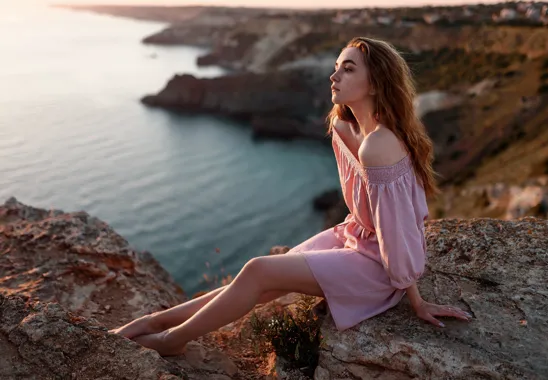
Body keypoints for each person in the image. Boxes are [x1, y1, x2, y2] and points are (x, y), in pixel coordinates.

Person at [109, 36, 472, 356]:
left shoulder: (379, 145)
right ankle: (153, 322)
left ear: (376, 83)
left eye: (347, 69)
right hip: (355, 239)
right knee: (260, 284)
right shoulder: (347, 128)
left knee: (258, 269)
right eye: (337, 67)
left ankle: (172, 340)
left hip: (378, 267)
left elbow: (398, 229)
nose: (334, 76)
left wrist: (415, 299)